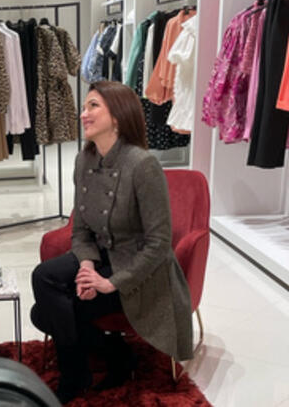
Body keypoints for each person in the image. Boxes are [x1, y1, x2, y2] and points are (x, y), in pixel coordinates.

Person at [30, 81, 193, 403]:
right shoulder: (84, 160)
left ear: (117, 116)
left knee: (49, 313)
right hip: (102, 255)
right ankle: (107, 356)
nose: (83, 114)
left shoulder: (142, 165)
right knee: (43, 278)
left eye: (93, 106)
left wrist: (109, 283)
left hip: (141, 270)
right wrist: (86, 268)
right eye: (84, 106)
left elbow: (159, 243)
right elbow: (81, 229)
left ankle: (80, 373)